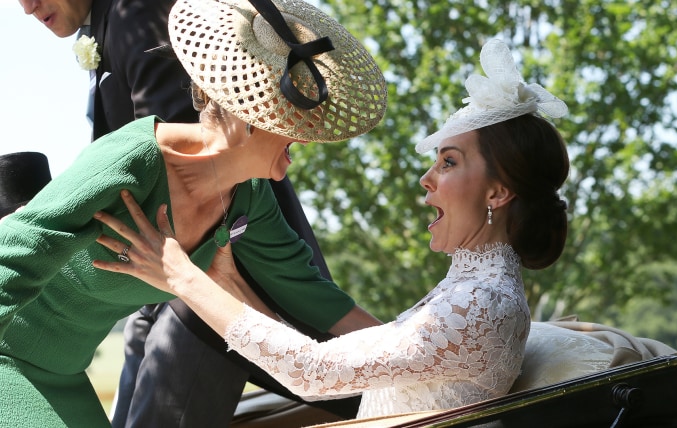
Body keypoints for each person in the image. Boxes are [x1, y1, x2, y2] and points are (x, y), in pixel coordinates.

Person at [93, 38, 571, 417]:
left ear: (497, 193)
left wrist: (182, 276)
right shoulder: (474, 290)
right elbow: (325, 361)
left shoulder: (482, 302)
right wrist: (229, 282)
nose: (426, 180)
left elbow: (311, 371)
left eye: (448, 162)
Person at [0, 0, 388, 425]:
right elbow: (14, 247)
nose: (310, 140)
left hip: (65, 372)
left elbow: (320, 302)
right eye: (295, 123)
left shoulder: (249, 200)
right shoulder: (132, 157)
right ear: (247, 116)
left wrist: (419, 348)